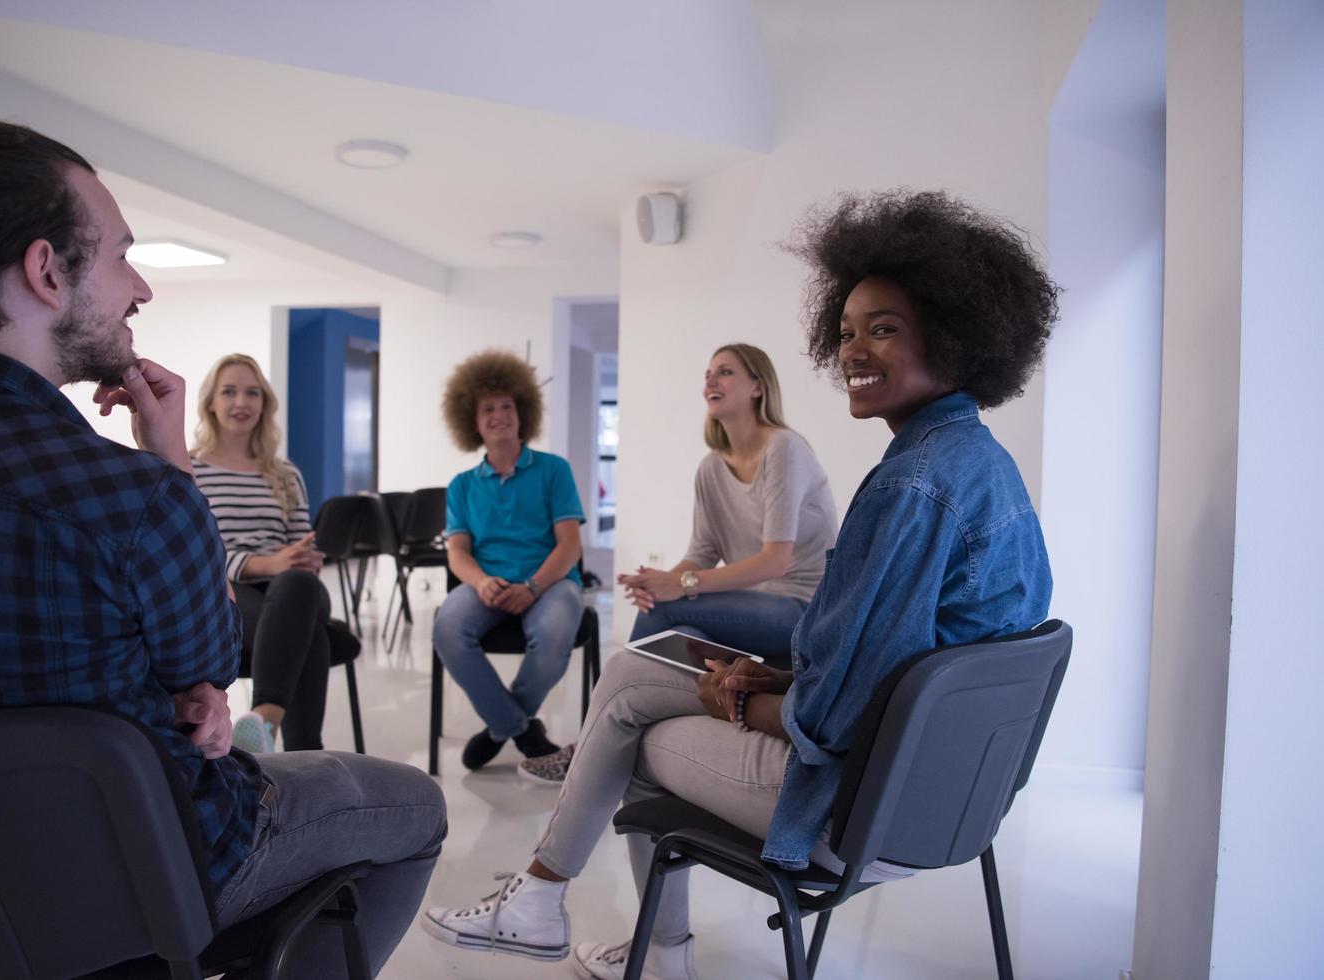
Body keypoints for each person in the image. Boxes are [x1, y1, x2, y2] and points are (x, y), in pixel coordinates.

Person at [0, 119, 444, 978]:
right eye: (122, 256)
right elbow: (207, 670)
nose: (141, 289)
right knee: (413, 807)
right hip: (140, 871)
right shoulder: (131, 494)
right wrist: (169, 461)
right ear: (47, 271)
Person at [419, 189, 1056, 980]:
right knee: (634, 679)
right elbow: (905, 664)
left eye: (884, 329)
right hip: (950, 802)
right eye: (847, 330)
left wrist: (737, 697)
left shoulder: (910, 488)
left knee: (633, 734)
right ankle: (555, 906)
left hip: (854, 808)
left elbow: (830, 718)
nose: (853, 350)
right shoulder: (981, 466)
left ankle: (601, 928)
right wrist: (772, 672)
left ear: (956, 336)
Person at [521, 343, 837, 786]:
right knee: (681, 632)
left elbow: (775, 561)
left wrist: (681, 587)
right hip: (754, 612)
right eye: (708, 373)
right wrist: (660, 581)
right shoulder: (711, 467)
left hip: (806, 612)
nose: (711, 380)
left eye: (725, 372)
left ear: (757, 387)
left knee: (670, 612)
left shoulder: (784, 448)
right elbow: (703, 553)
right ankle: (634, 752)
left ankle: (590, 745)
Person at [191, 352, 355, 754]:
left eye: (252, 393)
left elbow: (302, 544)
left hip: (294, 589)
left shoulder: (284, 473)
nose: (241, 403)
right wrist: (268, 563)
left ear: (264, 404)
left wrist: (300, 558)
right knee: (309, 635)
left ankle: (263, 718)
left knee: (297, 584)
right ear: (211, 402)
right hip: (226, 590)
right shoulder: (190, 470)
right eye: (229, 392)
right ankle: (304, 752)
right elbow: (196, 553)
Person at [433, 349, 586, 770]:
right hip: (487, 584)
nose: (499, 415)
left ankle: (500, 727)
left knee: (555, 632)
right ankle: (520, 728)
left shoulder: (554, 470)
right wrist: (481, 582)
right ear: (473, 421)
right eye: (488, 409)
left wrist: (534, 586)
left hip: (552, 582)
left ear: (523, 414)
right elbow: (458, 552)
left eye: (506, 406)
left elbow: (570, 545)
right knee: (447, 627)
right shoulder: (462, 485)